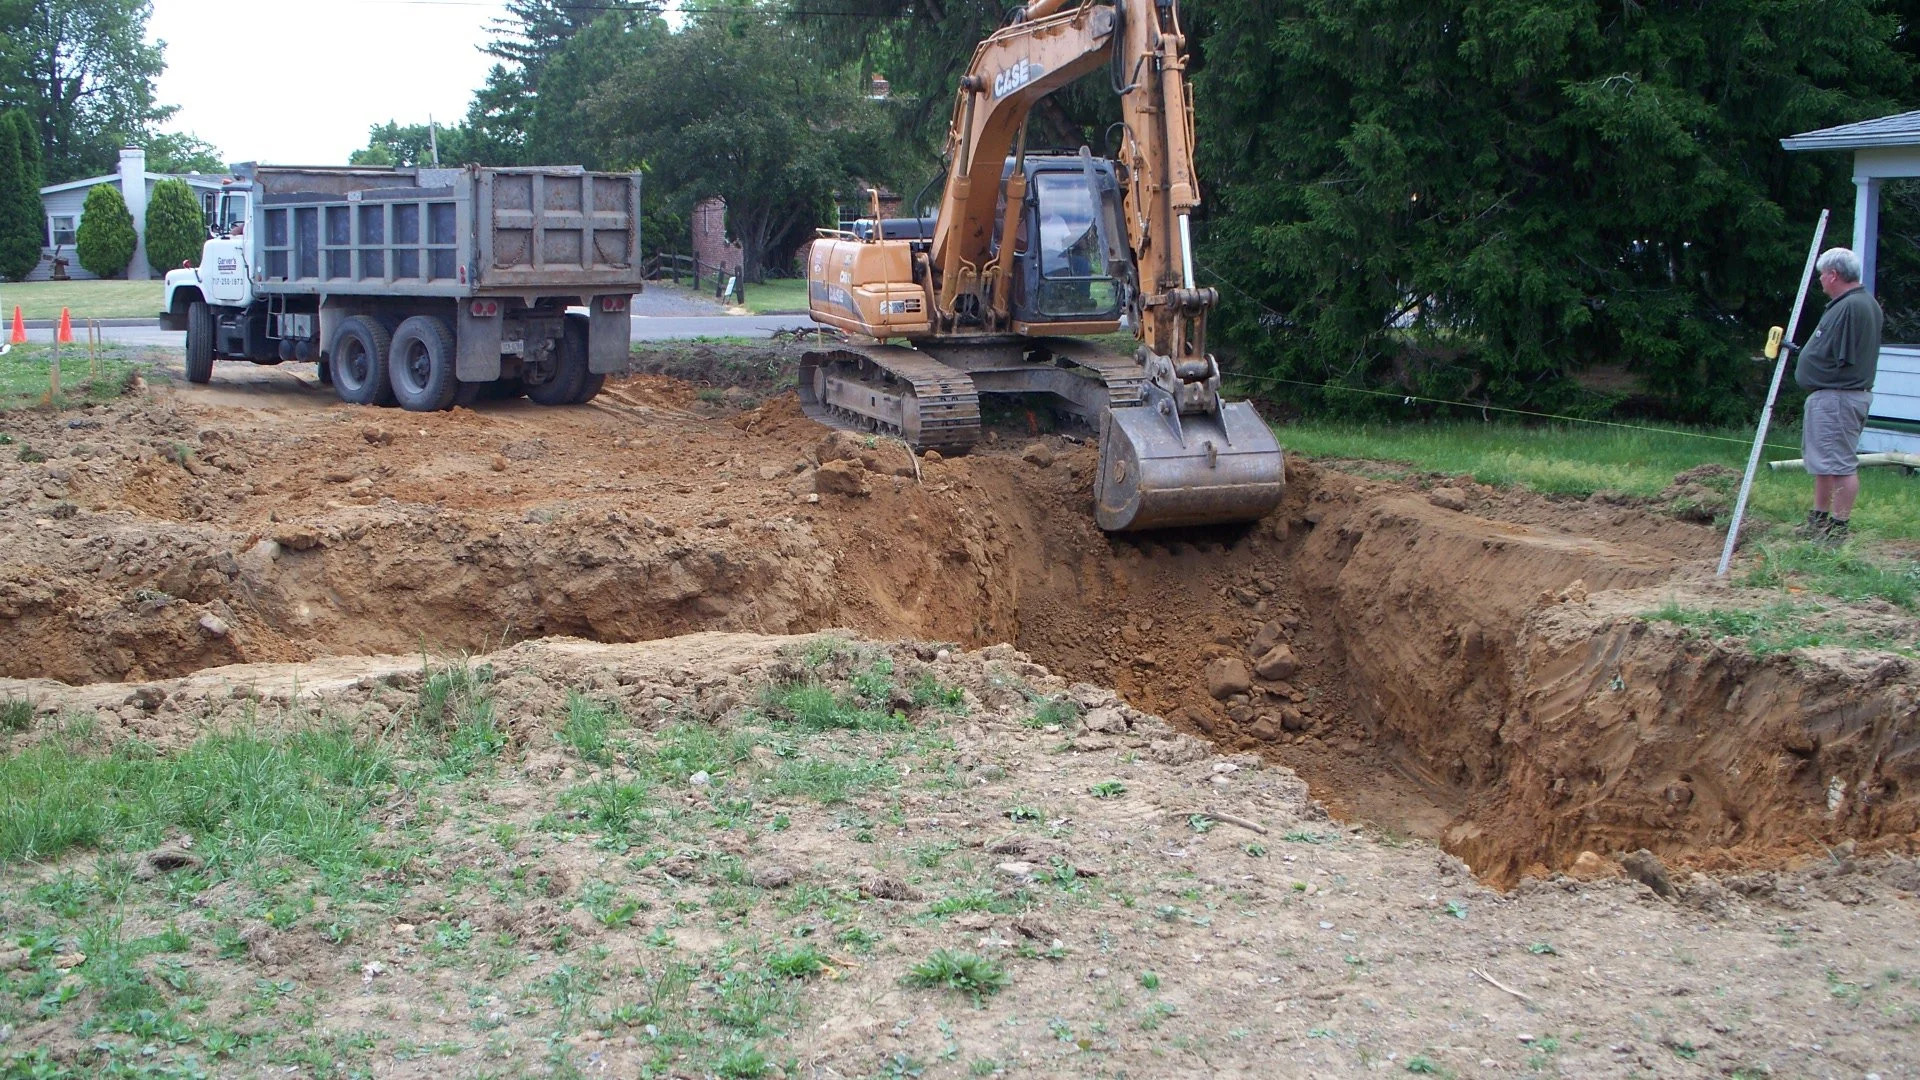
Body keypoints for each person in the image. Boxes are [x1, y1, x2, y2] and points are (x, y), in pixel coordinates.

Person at [1792, 246, 1882, 544]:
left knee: (1840, 463)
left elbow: (1841, 354)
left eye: (1821, 276)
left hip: (1839, 398)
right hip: (1833, 396)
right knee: (1824, 462)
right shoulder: (1856, 303)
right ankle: (1818, 520)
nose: (1819, 281)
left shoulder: (1852, 306)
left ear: (1833, 275)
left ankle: (1837, 530)